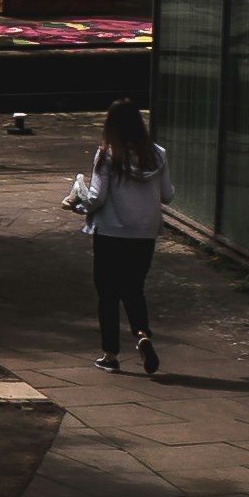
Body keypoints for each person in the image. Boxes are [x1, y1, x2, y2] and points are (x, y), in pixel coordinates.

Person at [67, 85, 168, 372]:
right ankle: (142, 335)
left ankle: (111, 355)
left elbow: (97, 198)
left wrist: (77, 205)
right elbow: (168, 194)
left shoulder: (108, 155)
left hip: (112, 233)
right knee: (134, 289)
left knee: (108, 294)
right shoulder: (158, 154)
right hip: (146, 233)